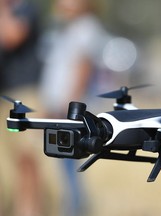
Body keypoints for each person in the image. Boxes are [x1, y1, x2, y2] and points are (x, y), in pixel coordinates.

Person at [39, 0, 111, 215]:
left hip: (70, 110)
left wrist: (70, 109)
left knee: (71, 162)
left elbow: (83, 70)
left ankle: (75, 208)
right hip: (61, 107)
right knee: (65, 163)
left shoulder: (86, 28)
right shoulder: (70, 29)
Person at [0, 0, 43, 216]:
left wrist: (3, 8)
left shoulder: (26, 7)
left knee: (27, 160)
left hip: (24, 94)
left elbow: (11, 36)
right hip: (3, 94)